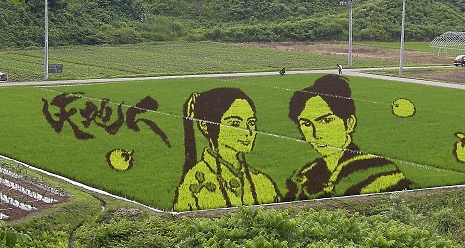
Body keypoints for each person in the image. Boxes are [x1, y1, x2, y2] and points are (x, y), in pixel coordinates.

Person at [283, 75, 412, 201]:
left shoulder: (378, 169)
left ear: (349, 123)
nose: (316, 134)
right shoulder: (304, 175)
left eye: (327, 120)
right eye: (306, 124)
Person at [173, 88, 280, 211]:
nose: (248, 131)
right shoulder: (193, 185)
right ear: (204, 125)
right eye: (235, 124)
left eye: (251, 123)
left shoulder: (263, 182)